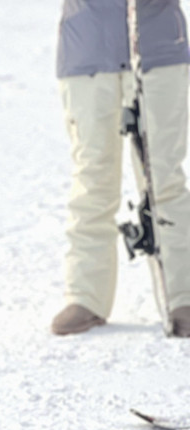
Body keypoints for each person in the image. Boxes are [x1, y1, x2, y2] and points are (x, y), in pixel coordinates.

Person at [53, 0, 190, 336]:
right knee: (92, 176)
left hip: (157, 50)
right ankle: (86, 296)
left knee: (162, 176)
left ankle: (181, 294)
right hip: (87, 50)